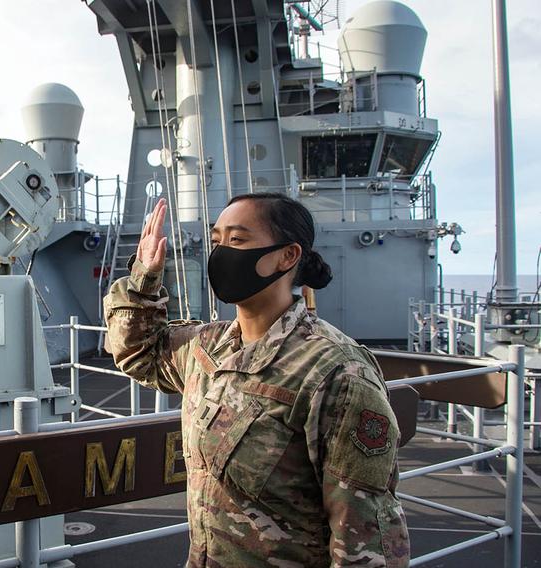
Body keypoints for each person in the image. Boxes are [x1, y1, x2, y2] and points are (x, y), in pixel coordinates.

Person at [103, 194, 410, 567]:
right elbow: (138, 352)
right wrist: (144, 276)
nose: (221, 253)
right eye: (217, 240)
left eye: (237, 240)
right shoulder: (208, 347)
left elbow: (365, 539)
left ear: (288, 256)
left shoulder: (338, 373)